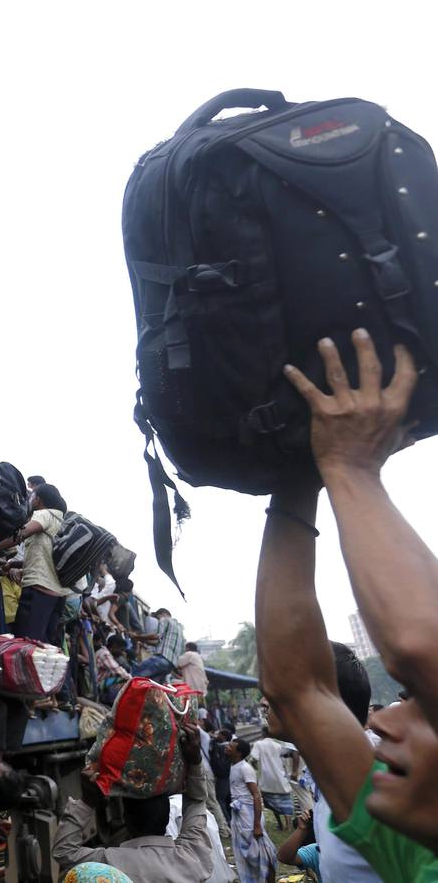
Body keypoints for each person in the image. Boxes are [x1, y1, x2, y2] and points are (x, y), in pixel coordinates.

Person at [255, 329, 437, 881]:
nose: (382, 718)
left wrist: (352, 468)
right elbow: (297, 688)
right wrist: (298, 479)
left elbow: (420, 647)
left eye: (428, 707)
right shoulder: (414, 852)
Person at [54, 729, 212, 882]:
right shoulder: (191, 859)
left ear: (126, 818)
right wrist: (195, 762)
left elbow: (64, 852)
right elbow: (197, 801)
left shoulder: (110, 862)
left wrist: (87, 801)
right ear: (167, 816)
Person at [0, 483, 67, 643]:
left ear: (38, 500)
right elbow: (44, 558)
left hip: (38, 590)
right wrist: (12, 565)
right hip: (57, 595)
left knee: (27, 643)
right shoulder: (60, 522)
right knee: (43, 646)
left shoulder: (44, 514)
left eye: (32, 497)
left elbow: (21, 534)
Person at [226, 738, 277, 883]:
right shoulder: (233, 766)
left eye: (231, 746)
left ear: (239, 753)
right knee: (247, 855)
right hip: (240, 815)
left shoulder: (244, 768)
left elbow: (256, 795)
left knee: (262, 853)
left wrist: (256, 825)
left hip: (249, 817)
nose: (227, 747)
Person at [249, 729, 294, 830]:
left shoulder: (259, 744)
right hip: (280, 776)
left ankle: (280, 824)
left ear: (263, 733)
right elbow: (285, 758)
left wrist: (256, 768)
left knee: (271, 802)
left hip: (266, 778)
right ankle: (289, 825)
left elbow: (253, 759)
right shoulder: (278, 745)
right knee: (285, 800)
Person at [131, 608, 185, 683]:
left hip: (162, 658)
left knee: (134, 674)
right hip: (170, 665)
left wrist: (137, 636)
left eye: (157, 618)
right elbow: (157, 642)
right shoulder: (179, 628)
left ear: (162, 614)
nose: (158, 621)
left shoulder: (165, 619)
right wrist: (142, 640)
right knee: (152, 685)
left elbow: (156, 635)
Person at [95, 633, 132, 705]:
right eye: (121, 650)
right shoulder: (105, 654)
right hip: (98, 684)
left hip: (101, 682)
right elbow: (117, 670)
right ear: (114, 646)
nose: (122, 653)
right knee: (124, 680)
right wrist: (132, 679)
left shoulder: (105, 652)